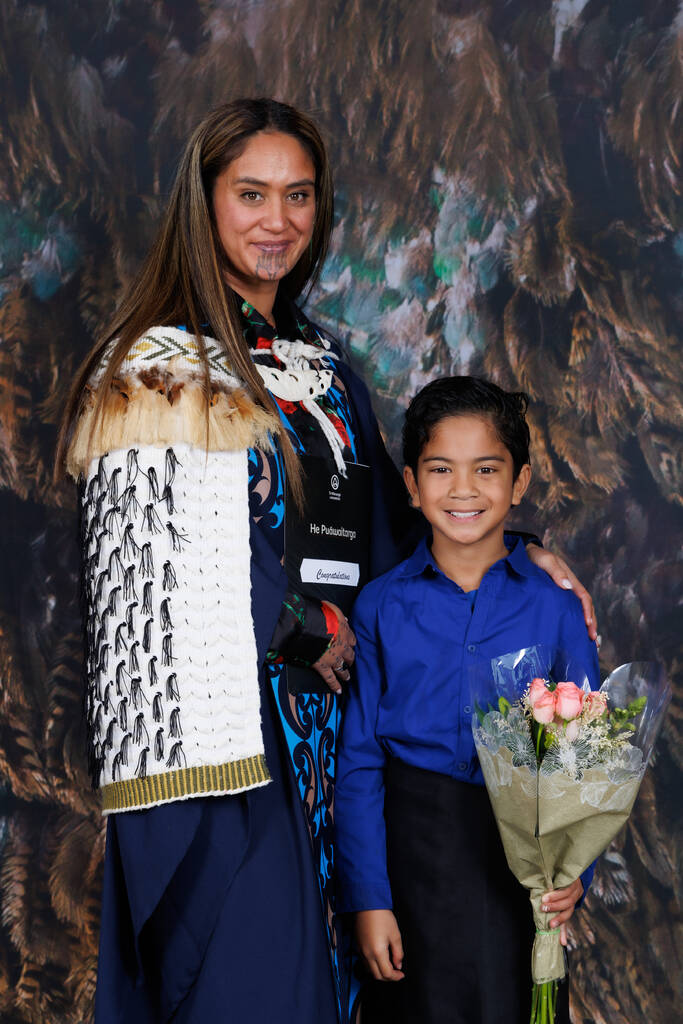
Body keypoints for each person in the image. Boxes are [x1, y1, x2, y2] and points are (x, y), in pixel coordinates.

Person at [56, 99, 597, 1023]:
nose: (279, 222)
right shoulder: (154, 368)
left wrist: (525, 548)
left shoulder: (317, 361)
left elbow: (401, 520)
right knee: (253, 982)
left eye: (299, 196)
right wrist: (310, 630)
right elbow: (155, 568)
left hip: (341, 735)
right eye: (252, 195)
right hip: (237, 742)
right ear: (204, 202)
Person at [334, 376, 600, 1024]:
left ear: (519, 483)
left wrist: (575, 874)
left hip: (521, 861)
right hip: (415, 851)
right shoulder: (381, 606)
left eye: (485, 470)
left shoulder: (556, 607)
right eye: (440, 469)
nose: (462, 490)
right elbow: (361, 762)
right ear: (410, 484)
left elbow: (587, 759)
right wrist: (370, 900)